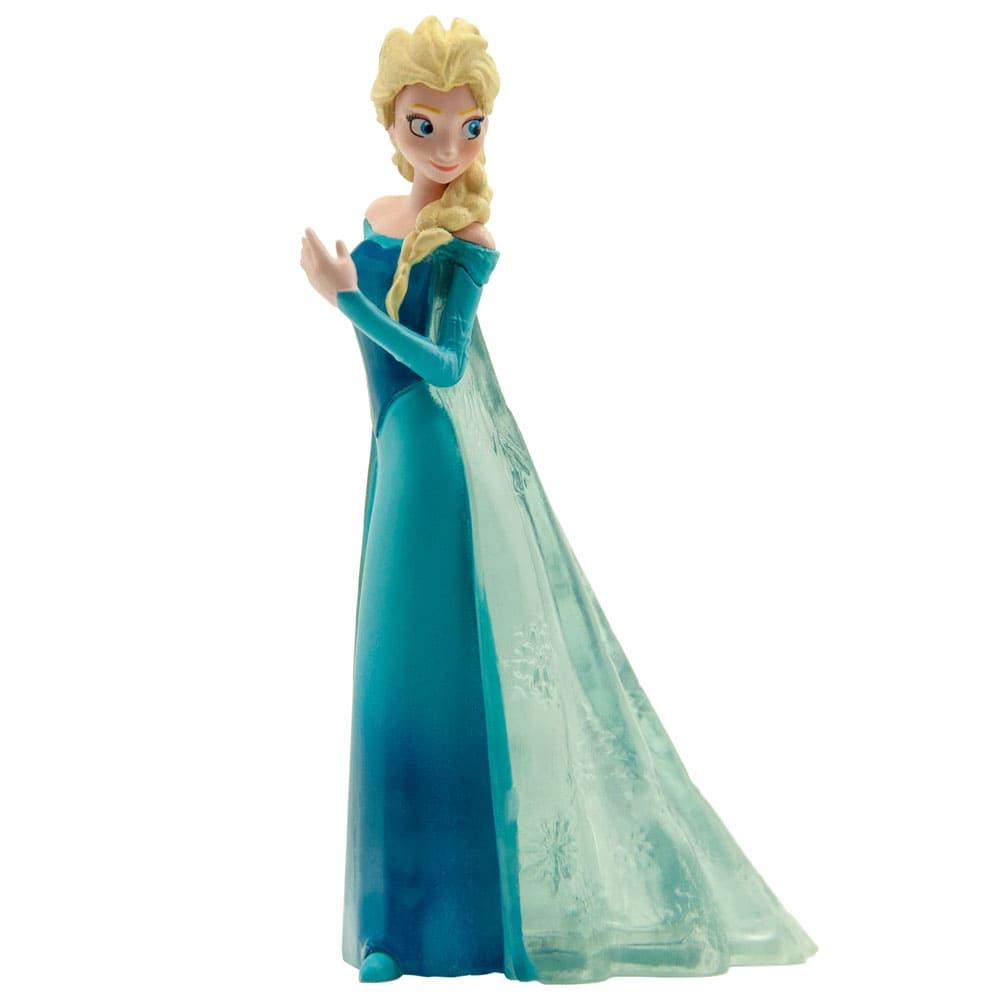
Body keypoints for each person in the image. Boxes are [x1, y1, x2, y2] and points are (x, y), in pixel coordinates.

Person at [300, 15, 816, 985]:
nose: (448, 149)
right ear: (391, 123)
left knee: (441, 677)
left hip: (439, 465)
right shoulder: (376, 216)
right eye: (424, 126)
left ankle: (474, 922)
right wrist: (353, 314)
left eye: (470, 127)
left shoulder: (469, 242)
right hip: (394, 456)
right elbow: (384, 366)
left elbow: (444, 365)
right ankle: (390, 924)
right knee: (389, 681)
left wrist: (347, 299)